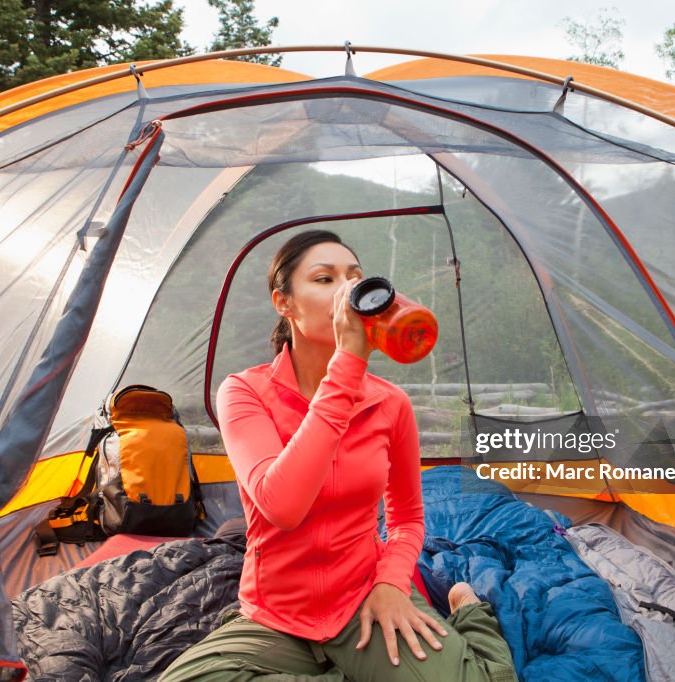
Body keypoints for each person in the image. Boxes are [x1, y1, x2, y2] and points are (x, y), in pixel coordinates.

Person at [161, 230, 517, 681]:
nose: (346, 290)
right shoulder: (244, 392)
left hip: (365, 599)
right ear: (283, 302)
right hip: (278, 614)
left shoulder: (390, 404)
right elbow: (283, 506)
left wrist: (391, 585)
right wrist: (347, 366)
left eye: (355, 278)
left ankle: (469, 611)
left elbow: (406, 519)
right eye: (325, 279)